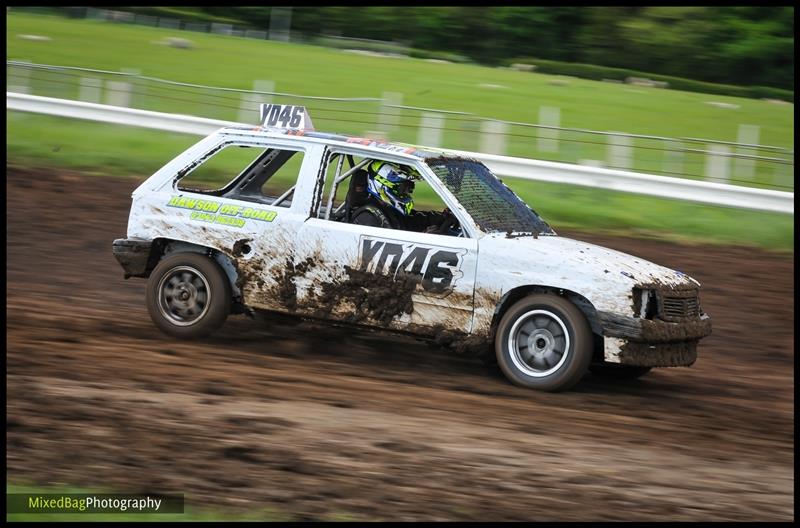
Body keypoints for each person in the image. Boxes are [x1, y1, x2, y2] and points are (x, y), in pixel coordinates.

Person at [350, 160, 457, 234]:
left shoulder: (390, 211)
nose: (407, 193)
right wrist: (423, 239)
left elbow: (414, 220)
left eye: (409, 189)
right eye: (403, 189)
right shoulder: (367, 218)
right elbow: (384, 254)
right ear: (383, 186)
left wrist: (442, 218)